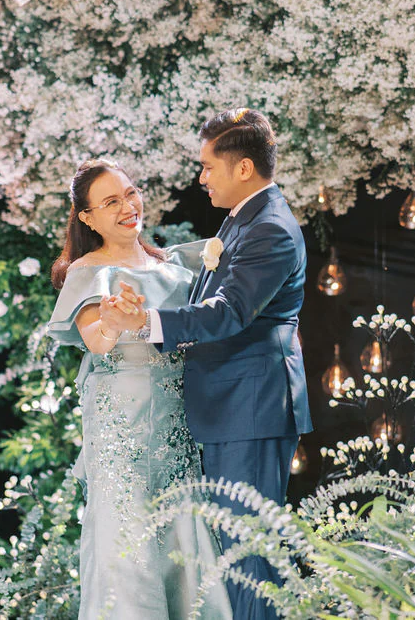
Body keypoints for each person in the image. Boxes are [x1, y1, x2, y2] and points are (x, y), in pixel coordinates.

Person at [101, 108, 313, 620]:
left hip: (252, 405)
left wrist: (146, 324)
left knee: (249, 554)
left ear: (243, 169)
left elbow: (230, 313)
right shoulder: (244, 219)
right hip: (232, 405)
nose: (201, 178)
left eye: (207, 167)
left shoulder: (271, 229)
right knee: (237, 551)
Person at [47, 158, 231, 620]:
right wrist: (110, 320)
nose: (129, 206)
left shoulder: (172, 267)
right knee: (127, 540)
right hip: (120, 430)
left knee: (181, 531)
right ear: (86, 218)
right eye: (111, 202)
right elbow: (94, 339)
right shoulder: (88, 271)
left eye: (130, 193)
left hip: (176, 422)